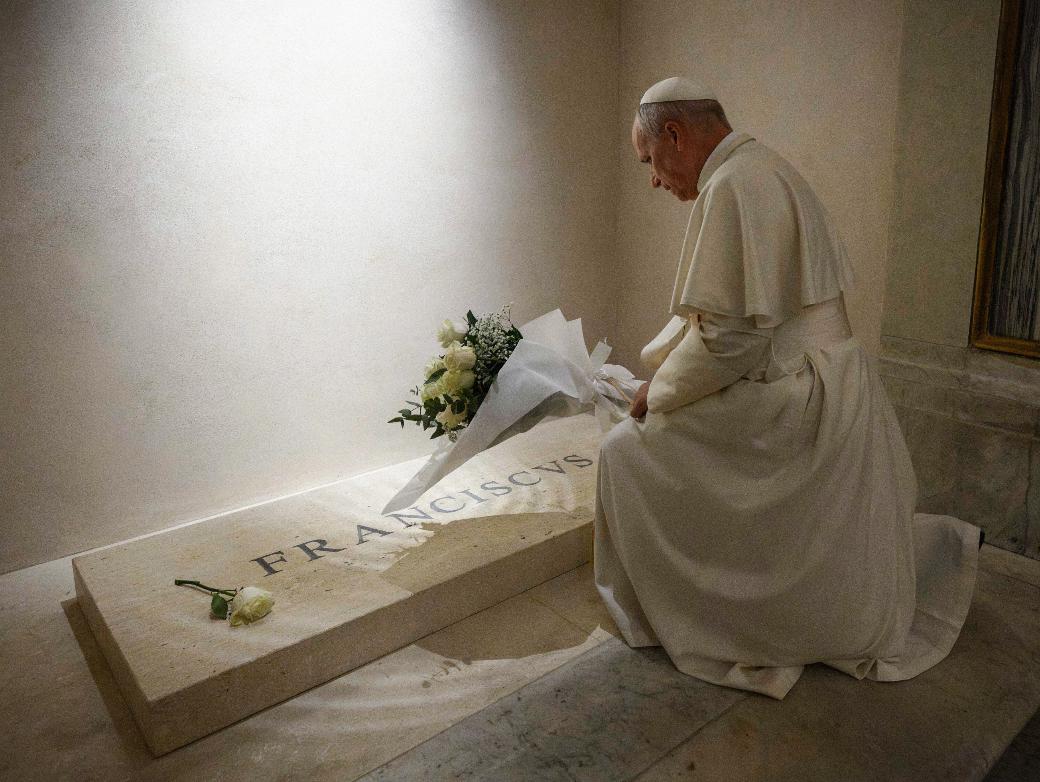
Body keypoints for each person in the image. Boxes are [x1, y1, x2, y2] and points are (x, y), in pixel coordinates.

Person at [593, 76, 981, 699]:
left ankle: (713, 619)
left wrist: (656, 392)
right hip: (832, 383)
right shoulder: (762, 167)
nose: (654, 180)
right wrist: (666, 367)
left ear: (674, 134)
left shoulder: (734, 185)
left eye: (649, 162)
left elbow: (732, 340)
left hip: (796, 397)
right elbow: (739, 323)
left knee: (625, 451)